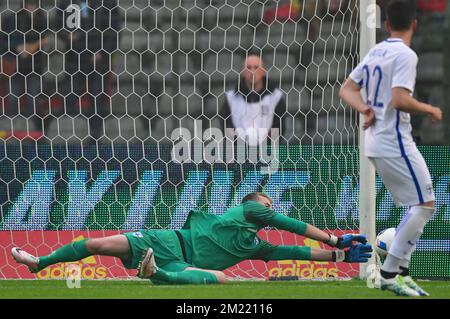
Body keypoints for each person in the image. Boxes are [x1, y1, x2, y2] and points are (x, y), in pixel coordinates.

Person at [11, 192, 372, 285]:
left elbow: (293, 251)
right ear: (253, 206)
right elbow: (291, 225)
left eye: (270, 206)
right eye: (267, 203)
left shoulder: (255, 245)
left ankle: (158, 275)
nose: (270, 207)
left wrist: (339, 260)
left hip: (182, 264)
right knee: (97, 245)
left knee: (222, 279)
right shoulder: (248, 211)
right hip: (169, 241)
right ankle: (39, 263)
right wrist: (335, 239)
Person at [339, 0, 442, 297]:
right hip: (394, 139)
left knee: (418, 206)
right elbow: (399, 99)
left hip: (376, 140)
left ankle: (402, 271)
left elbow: (346, 89)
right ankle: (388, 273)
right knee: (424, 205)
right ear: (414, 24)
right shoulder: (405, 55)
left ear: (386, 26)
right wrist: (430, 109)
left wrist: (365, 109)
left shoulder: (376, 51)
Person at [0, 0, 49, 138]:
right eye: (29, 5)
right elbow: (4, 40)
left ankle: (31, 129)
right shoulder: (12, 18)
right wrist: (18, 47)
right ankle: (12, 128)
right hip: (15, 65)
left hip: (35, 66)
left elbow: (47, 39)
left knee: (33, 98)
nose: (32, 8)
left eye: (35, 5)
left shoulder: (43, 20)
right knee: (13, 97)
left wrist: (33, 47)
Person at [220, 53, 286, 147]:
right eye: (249, 67)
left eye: (256, 67)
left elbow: (279, 128)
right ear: (243, 71)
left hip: (267, 152)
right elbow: (226, 126)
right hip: (239, 153)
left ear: (263, 71)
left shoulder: (275, 97)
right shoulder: (231, 97)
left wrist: (263, 146)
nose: (252, 71)